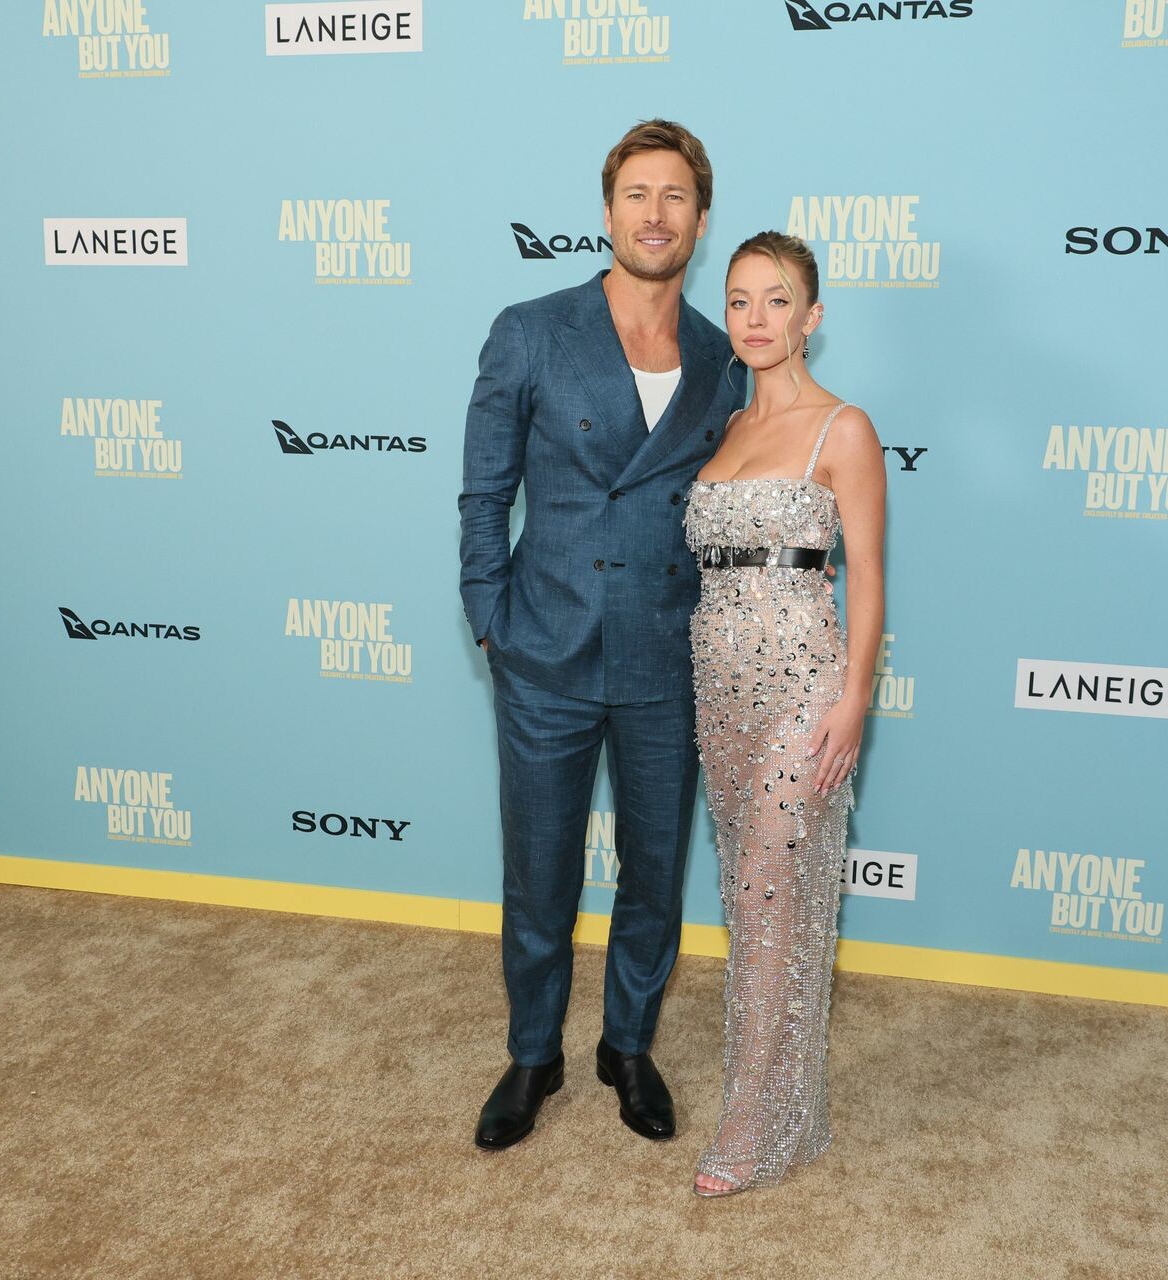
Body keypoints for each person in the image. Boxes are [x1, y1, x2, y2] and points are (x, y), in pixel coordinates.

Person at [458, 120, 742, 1151]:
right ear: (608, 211)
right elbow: (485, 491)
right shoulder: (531, 329)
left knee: (655, 872)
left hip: (669, 650)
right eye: (636, 194)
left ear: (700, 221)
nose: (655, 214)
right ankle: (533, 1053)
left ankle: (628, 1046)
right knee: (540, 871)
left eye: (675, 197)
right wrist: (491, 618)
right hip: (547, 646)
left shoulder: (721, 354)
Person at [682, 232, 885, 1196]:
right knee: (749, 899)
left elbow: (868, 578)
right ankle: (791, 1108)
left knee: (771, 899)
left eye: (776, 299)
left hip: (804, 690)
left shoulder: (842, 428)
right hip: (718, 690)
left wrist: (854, 701)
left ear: (812, 316)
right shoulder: (725, 427)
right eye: (739, 300)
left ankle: (752, 1125)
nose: (756, 318)